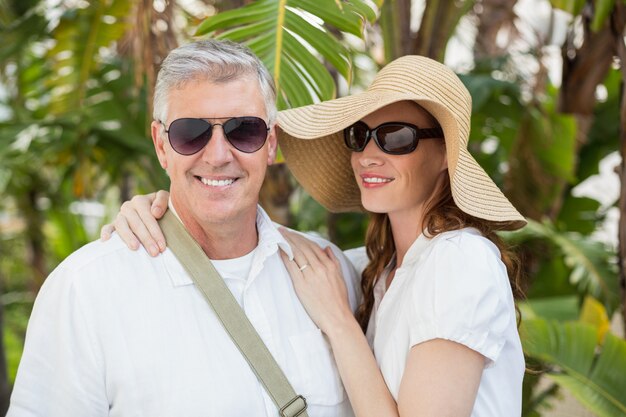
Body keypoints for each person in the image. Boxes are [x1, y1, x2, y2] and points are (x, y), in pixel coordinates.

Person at [104, 56, 527, 416]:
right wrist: (168, 209)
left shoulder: (459, 259)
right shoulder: (381, 271)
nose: (368, 155)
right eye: (360, 136)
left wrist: (339, 323)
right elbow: (248, 233)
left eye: (397, 137)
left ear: (444, 155)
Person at [8, 39, 360, 417]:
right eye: (191, 133)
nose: (218, 155)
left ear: (270, 144)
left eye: (244, 130)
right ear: (162, 146)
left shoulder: (333, 272)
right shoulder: (87, 289)